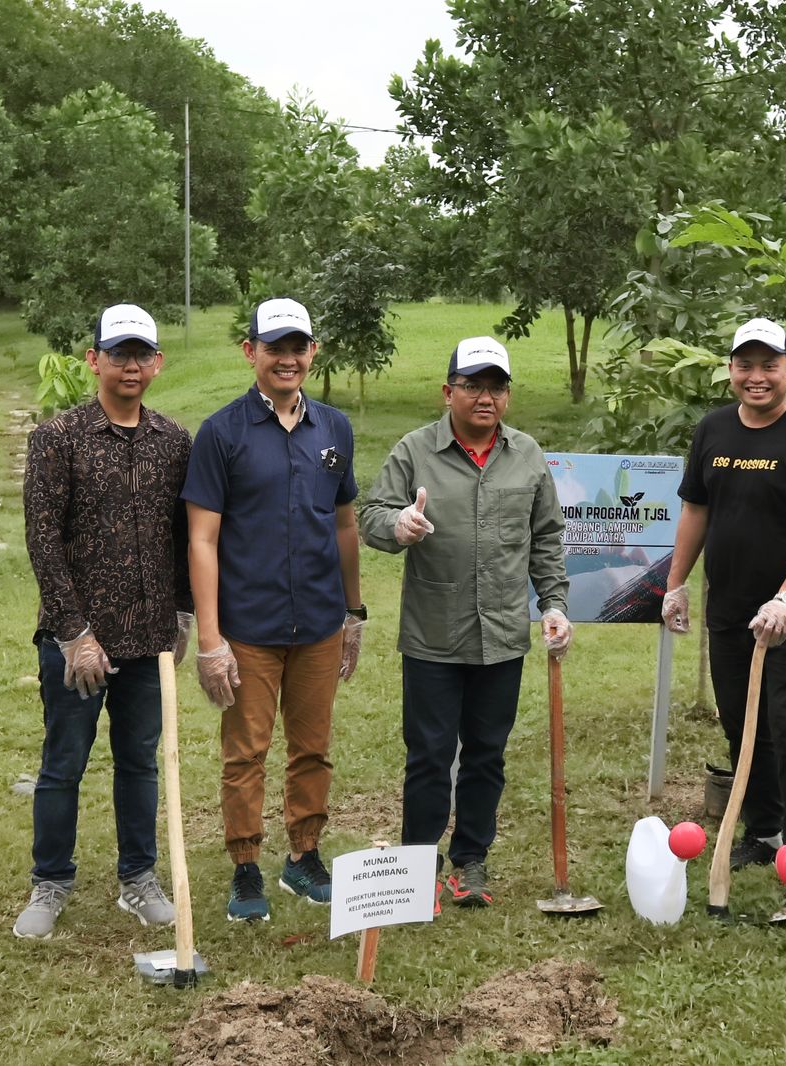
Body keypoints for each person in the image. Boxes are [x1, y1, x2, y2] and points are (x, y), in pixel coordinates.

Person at [361, 337, 571, 910]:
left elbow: (546, 537)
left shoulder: (526, 455)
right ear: (448, 391)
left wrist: (553, 604)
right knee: (429, 753)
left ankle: (470, 861)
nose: (485, 396)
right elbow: (371, 514)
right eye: (473, 385)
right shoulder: (415, 451)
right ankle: (416, 866)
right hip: (433, 634)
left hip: (502, 635)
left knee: (486, 753)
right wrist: (398, 524)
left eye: (496, 386)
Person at [14, 303, 194, 939]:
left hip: (149, 642)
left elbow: (183, 537)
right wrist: (74, 633)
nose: (130, 367)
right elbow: (44, 540)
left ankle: (137, 879)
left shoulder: (174, 442)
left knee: (139, 762)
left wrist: (184, 615)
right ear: (94, 360)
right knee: (64, 762)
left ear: (157, 364)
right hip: (76, 644)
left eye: (141, 356)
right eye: (118, 355)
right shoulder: (57, 439)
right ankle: (51, 881)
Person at [181, 297, 364, 923]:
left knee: (312, 748)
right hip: (249, 627)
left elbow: (344, 526)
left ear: (312, 352)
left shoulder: (334, 430)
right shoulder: (222, 432)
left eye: (298, 346)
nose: (287, 358)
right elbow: (202, 539)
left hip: (317, 622)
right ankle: (246, 865)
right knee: (246, 752)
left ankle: (303, 855)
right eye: (274, 346)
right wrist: (210, 639)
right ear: (250, 351)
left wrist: (353, 611)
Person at [662, 317, 786, 907]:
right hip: (731, 607)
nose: (757, 376)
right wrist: (675, 585)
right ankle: (764, 832)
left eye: (769, 365)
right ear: (731, 372)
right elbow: (696, 509)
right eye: (746, 365)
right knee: (742, 724)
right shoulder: (713, 430)